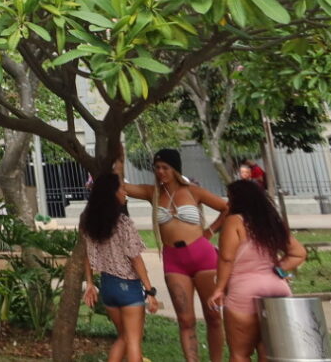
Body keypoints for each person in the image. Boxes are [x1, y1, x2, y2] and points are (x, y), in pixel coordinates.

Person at [120, 148, 228, 362]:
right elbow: (121, 186)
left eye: (165, 167)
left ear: (175, 169)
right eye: (157, 167)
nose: (160, 172)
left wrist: (210, 231)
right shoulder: (153, 193)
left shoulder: (193, 192)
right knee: (185, 320)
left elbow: (227, 208)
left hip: (203, 256)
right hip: (174, 260)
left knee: (213, 316)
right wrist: (118, 159)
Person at [209, 179, 307, 362]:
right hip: (278, 289)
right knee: (271, 352)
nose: (228, 203)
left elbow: (227, 258)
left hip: (244, 291)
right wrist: (278, 270)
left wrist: (219, 288)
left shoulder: (234, 221)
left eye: (230, 198)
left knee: (240, 353)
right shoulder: (271, 222)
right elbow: (298, 253)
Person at [80, 173, 161, 362]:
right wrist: (149, 290)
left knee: (123, 337)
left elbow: (87, 255)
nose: (125, 192)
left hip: (108, 286)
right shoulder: (123, 223)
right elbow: (136, 260)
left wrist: (90, 283)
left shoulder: (89, 223)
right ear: (112, 193)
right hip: (128, 287)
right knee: (133, 341)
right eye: (122, 188)